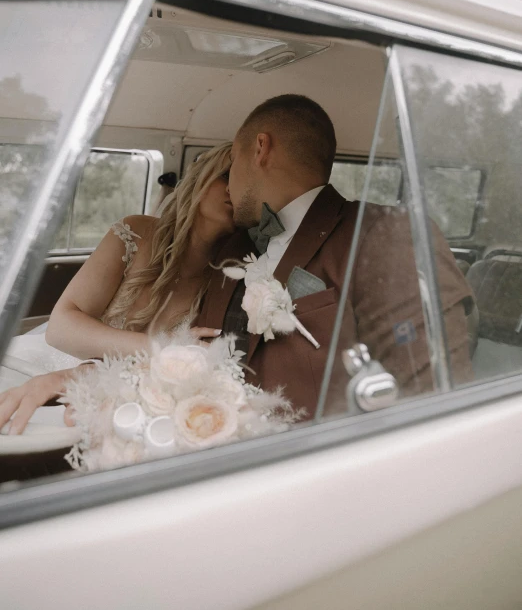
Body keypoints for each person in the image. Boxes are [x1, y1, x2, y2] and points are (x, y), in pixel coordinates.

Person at [195, 94, 474, 416]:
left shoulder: (385, 234)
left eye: (232, 161)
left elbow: (429, 398)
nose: (228, 183)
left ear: (260, 148)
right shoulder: (232, 246)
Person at [0, 143, 234, 436]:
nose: (233, 188)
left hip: (125, 390)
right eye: (226, 175)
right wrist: (162, 348)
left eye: (241, 179)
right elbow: (60, 329)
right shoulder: (134, 232)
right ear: (201, 177)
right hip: (51, 361)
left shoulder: (232, 280)